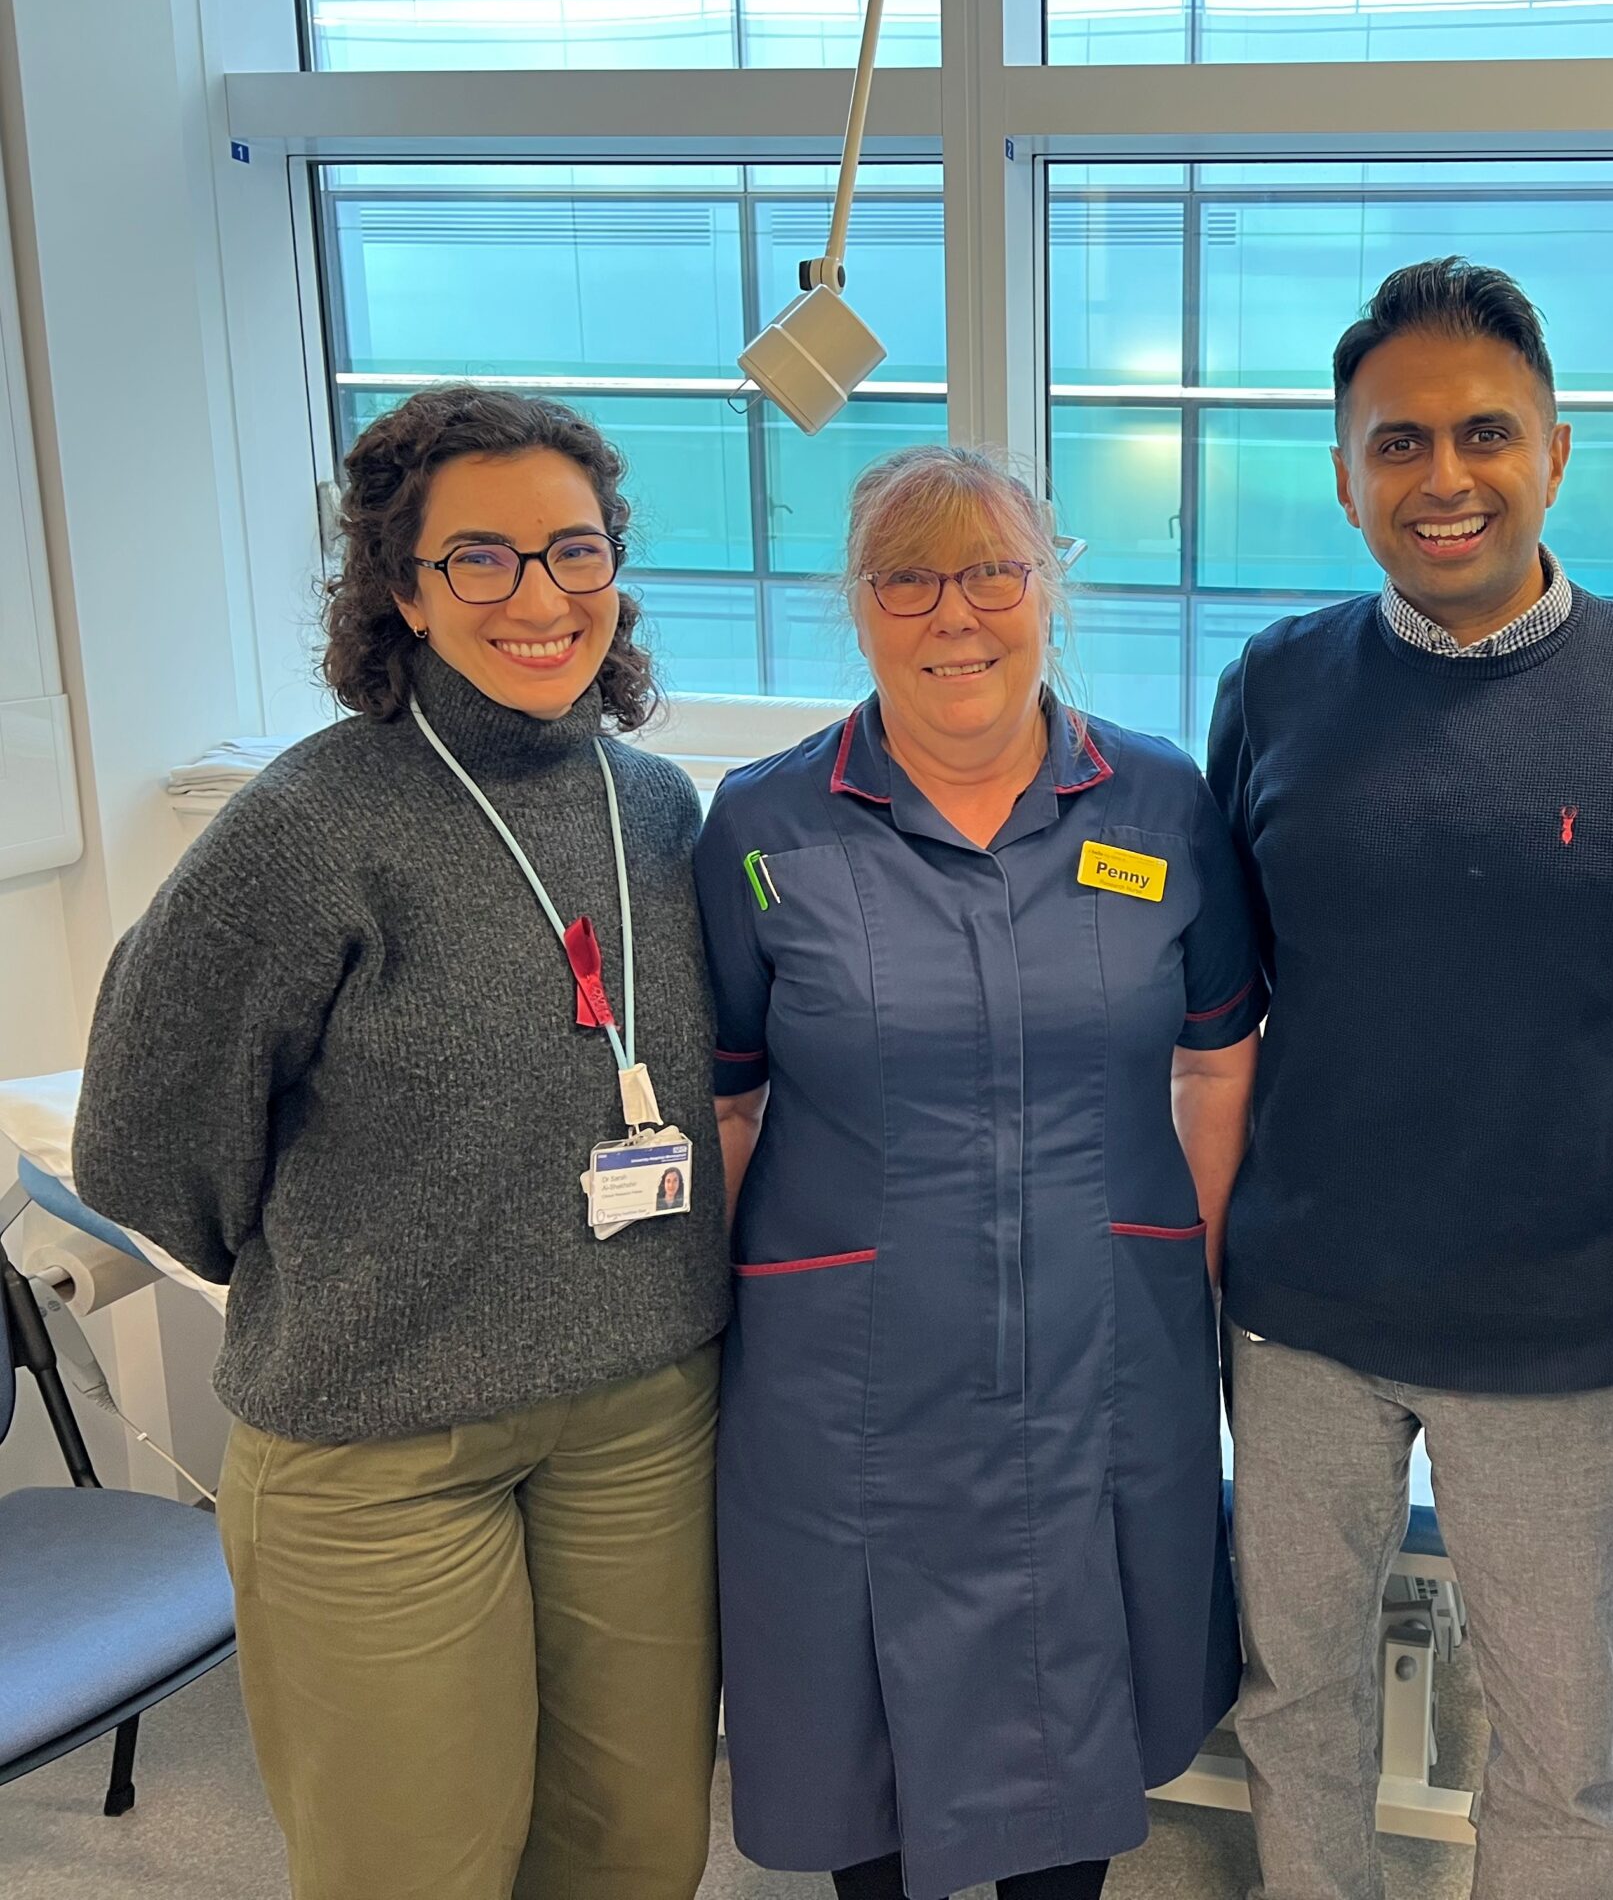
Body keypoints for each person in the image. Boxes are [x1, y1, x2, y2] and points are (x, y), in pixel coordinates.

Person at [73, 386, 729, 1899]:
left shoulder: (658, 811)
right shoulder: (304, 826)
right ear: (403, 590)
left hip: (641, 1409)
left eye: (573, 551)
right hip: (380, 1437)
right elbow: (141, 1141)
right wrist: (348, 1271)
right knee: (413, 1863)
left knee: (635, 1850)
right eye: (480, 559)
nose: (538, 597)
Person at [1207, 258, 1613, 1900]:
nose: (1442, 477)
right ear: (1343, 472)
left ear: (1555, 451)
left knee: (1558, 1742)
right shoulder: (1274, 685)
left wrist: (1591, 1056)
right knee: (1296, 1697)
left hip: (1557, 1324)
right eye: (1397, 443)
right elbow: (1243, 982)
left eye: (1485, 435)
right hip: (1303, 1307)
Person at [696, 444, 1264, 1900]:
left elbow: (1213, 1065)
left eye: (993, 573)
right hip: (847, 1369)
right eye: (909, 579)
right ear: (861, 609)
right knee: (858, 1726)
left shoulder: (1158, 805)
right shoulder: (764, 831)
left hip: (1097, 1347)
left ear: (1050, 590)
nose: (957, 615)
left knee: (1069, 1710)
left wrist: (1176, 1273)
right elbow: (731, 1107)